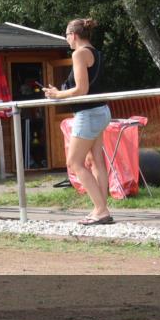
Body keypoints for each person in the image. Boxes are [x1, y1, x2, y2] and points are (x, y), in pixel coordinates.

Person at [44, 17, 112, 226]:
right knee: (96, 161)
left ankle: (101, 210)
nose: (66, 40)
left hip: (88, 113)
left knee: (74, 163)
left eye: (66, 36)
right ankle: (101, 208)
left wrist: (58, 95)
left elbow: (81, 90)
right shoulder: (96, 53)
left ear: (73, 35)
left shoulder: (79, 54)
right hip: (101, 110)